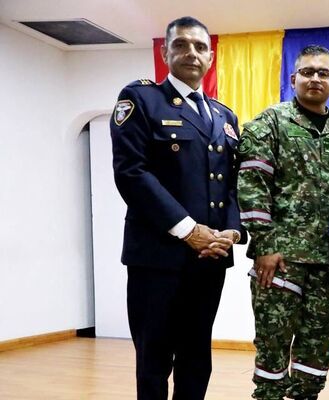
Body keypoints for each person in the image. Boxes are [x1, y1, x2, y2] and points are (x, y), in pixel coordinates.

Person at [110, 16, 244, 400]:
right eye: (182, 45)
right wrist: (189, 230)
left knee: (196, 358)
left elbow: (231, 183)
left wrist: (231, 231)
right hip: (158, 258)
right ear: (164, 52)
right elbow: (132, 174)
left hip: (209, 258)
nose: (192, 53)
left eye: (200, 47)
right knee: (154, 361)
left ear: (211, 56)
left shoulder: (224, 116)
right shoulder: (141, 99)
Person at [237, 45, 329, 400]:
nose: (315, 79)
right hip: (280, 262)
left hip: (327, 261)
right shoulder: (270, 124)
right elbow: (251, 186)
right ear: (293, 79)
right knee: (273, 349)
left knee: (316, 351)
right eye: (307, 72)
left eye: (323, 73)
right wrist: (264, 245)